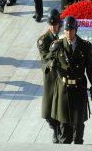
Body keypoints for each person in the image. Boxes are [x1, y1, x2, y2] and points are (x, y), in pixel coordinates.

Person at [48, 16, 92, 144]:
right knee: (64, 134)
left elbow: (90, 68)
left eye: (71, 30)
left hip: (79, 90)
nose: (68, 33)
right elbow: (47, 60)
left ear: (76, 30)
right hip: (63, 91)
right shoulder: (58, 46)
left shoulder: (85, 46)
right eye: (66, 30)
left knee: (78, 132)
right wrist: (51, 64)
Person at [37, 9, 62, 143]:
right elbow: (44, 58)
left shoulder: (64, 35)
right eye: (51, 25)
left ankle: (60, 131)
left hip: (62, 76)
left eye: (56, 25)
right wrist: (53, 53)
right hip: (51, 77)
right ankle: (55, 129)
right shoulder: (43, 40)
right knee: (48, 110)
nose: (54, 27)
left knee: (61, 107)